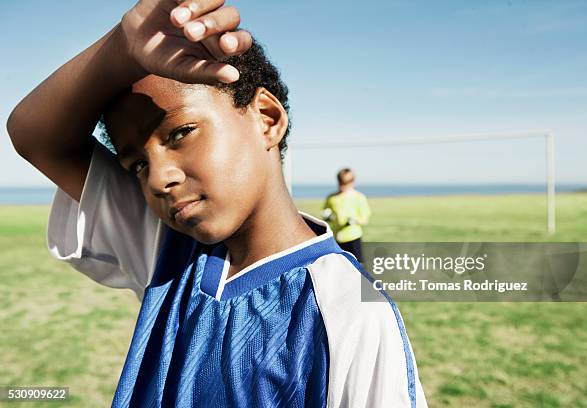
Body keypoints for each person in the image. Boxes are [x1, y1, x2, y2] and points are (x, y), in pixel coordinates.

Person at [7, 0, 427, 406]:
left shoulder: (348, 308)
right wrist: (122, 46)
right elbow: (33, 135)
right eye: (136, 165)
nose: (158, 178)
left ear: (266, 117)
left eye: (179, 133)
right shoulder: (168, 251)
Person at [323, 168, 371, 262]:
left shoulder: (359, 197)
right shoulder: (332, 198)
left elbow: (365, 219)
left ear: (352, 182)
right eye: (341, 183)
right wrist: (327, 217)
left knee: (358, 265)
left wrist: (355, 220)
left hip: (353, 238)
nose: (343, 186)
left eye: (346, 183)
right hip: (335, 239)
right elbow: (325, 213)